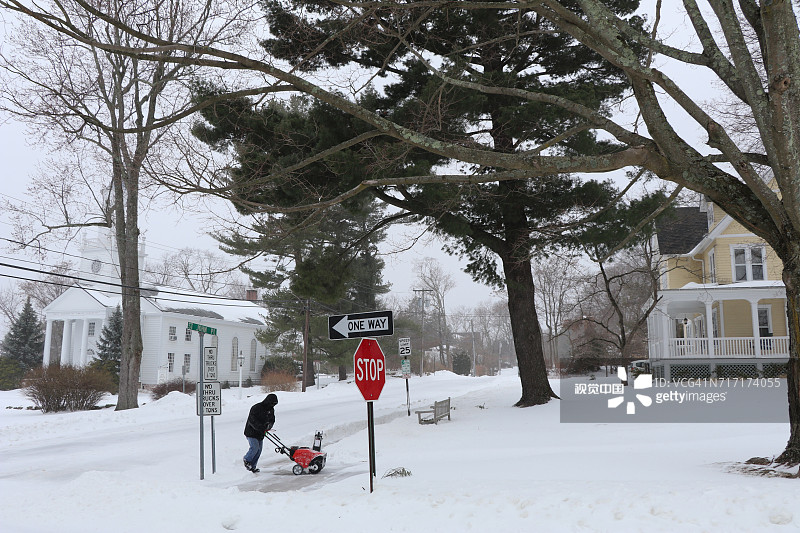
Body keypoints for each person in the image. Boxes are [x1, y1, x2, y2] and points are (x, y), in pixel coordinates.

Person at [243, 393, 278, 473]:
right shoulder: (256, 408)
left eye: (274, 404)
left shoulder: (271, 410)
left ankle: (253, 466)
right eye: (272, 403)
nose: (273, 405)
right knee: (254, 447)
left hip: (261, 433)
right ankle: (247, 460)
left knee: (259, 450)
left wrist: (268, 426)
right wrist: (260, 428)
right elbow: (252, 421)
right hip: (251, 432)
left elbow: (272, 420)